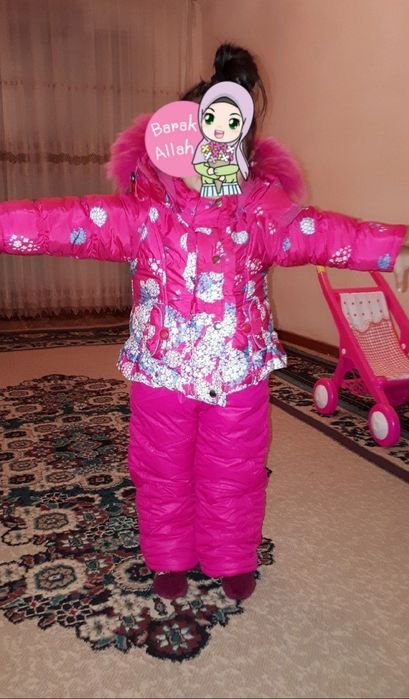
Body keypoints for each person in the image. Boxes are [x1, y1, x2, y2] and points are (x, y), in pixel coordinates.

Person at [1, 44, 408, 602]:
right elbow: (62, 222)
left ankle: (230, 556)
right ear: (168, 145)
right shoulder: (142, 214)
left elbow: (322, 233)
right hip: (161, 370)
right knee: (162, 469)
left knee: (234, 470)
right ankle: (169, 554)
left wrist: (390, 247)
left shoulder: (261, 213)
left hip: (237, 374)